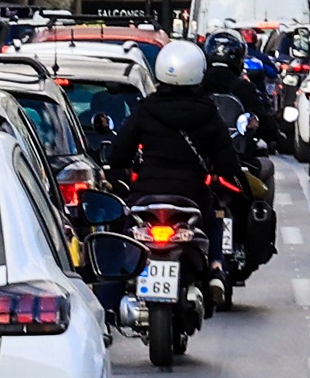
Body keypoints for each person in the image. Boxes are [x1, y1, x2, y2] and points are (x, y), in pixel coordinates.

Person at [107, 41, 240, 301]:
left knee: (122, 242)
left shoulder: (145, 110)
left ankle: (108, 306)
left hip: (146, 193)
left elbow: (119, 154)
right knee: (215, 221)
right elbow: (227, 163)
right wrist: (229, 181)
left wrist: (120, 172)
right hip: (193, 195)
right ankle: (215, 268)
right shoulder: (209, 114)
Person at [202, 30, 280, 145]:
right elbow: (266, 124)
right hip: (233, 149)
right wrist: (276, 136)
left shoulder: (196, 85)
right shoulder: (243, 87)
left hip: (202, 148)